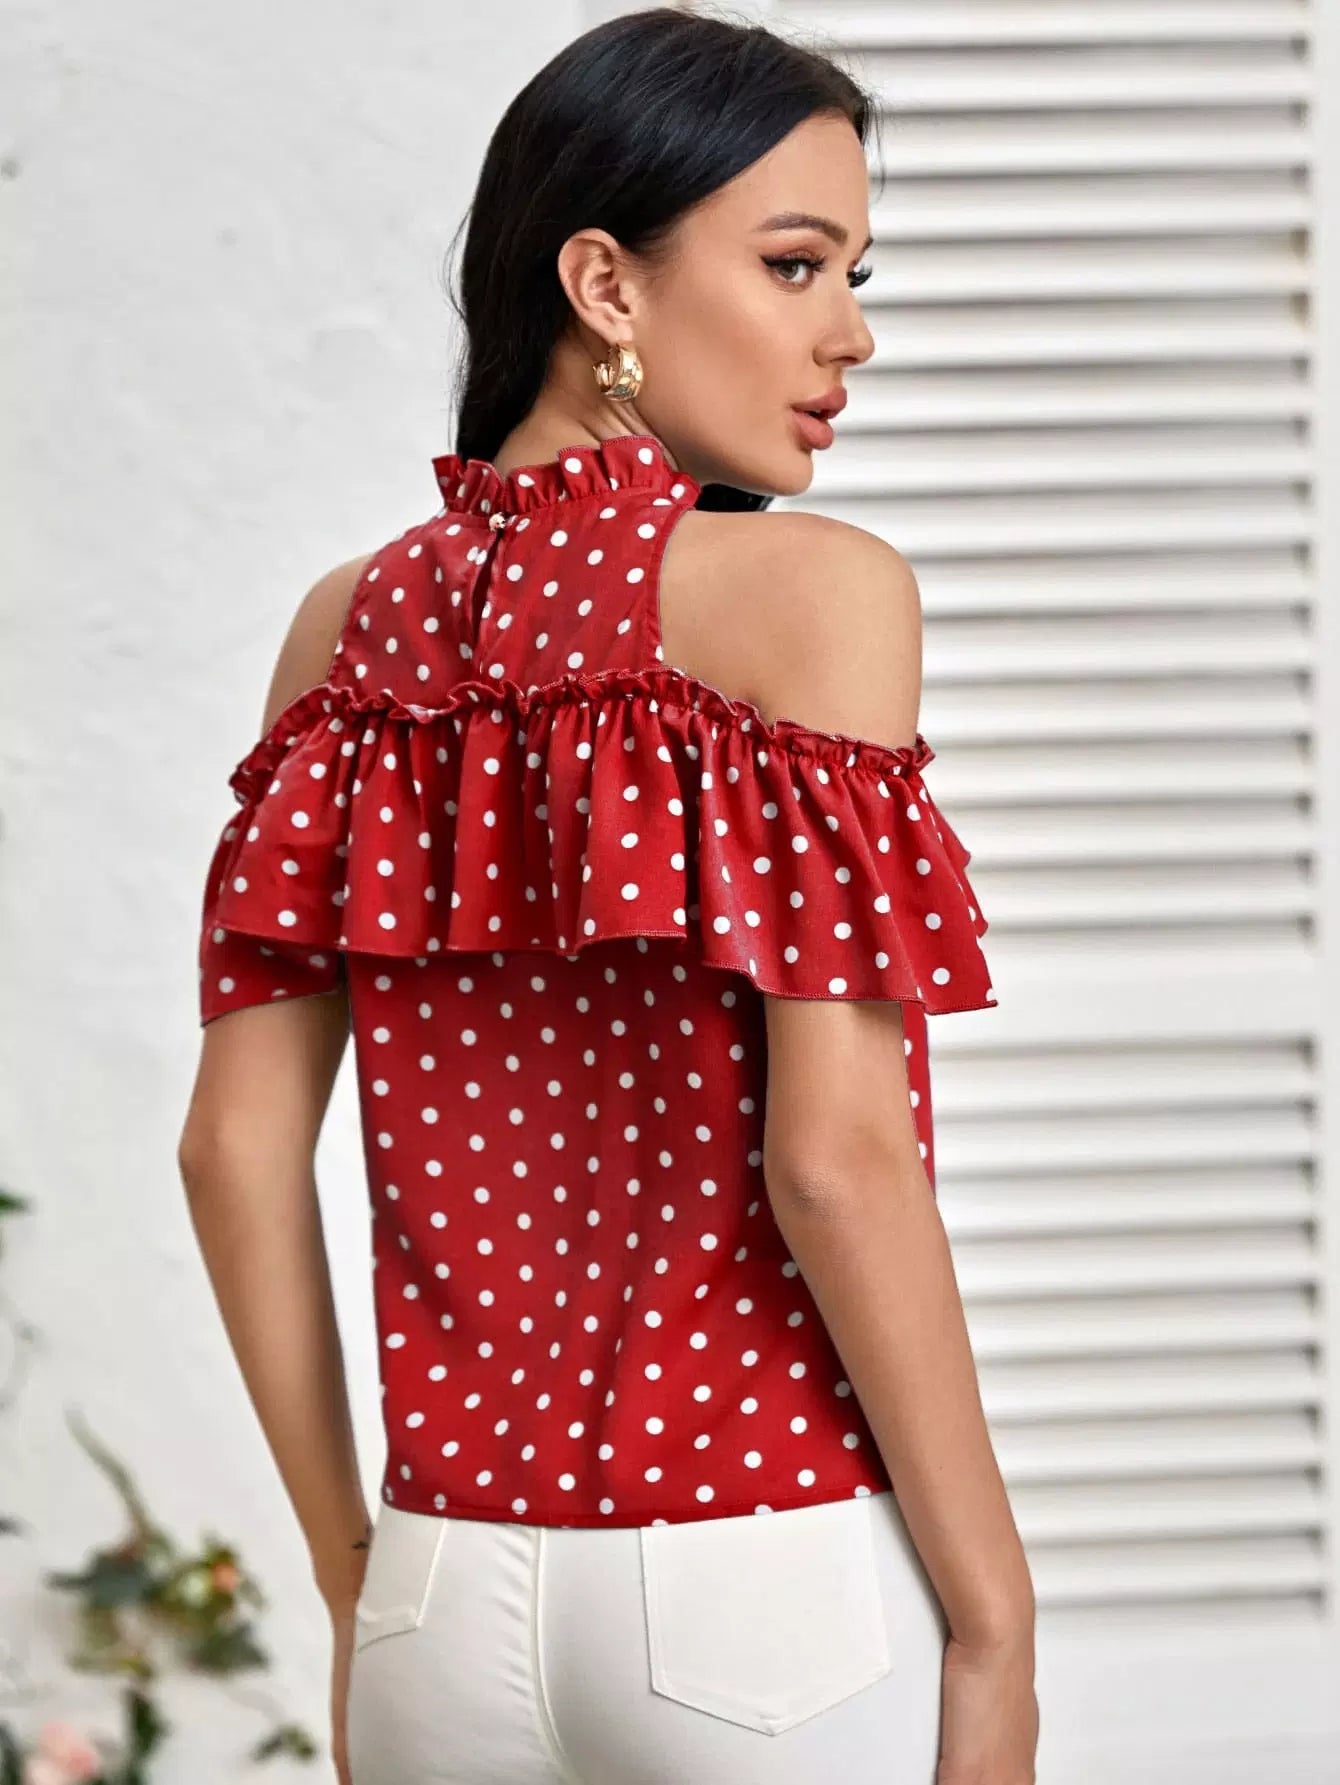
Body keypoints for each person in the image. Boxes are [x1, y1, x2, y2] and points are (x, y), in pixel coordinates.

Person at [177, 10, 1038, 1783]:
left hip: (436, 1602)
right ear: (604, 284)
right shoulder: (816, 596)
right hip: (759, 1581)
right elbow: (835, 1160)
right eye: (794, 263)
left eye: (855, 273)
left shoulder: (342, 634)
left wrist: (353, 1581)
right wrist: (995, 1619)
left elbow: (232, 1151)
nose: (850, 332)